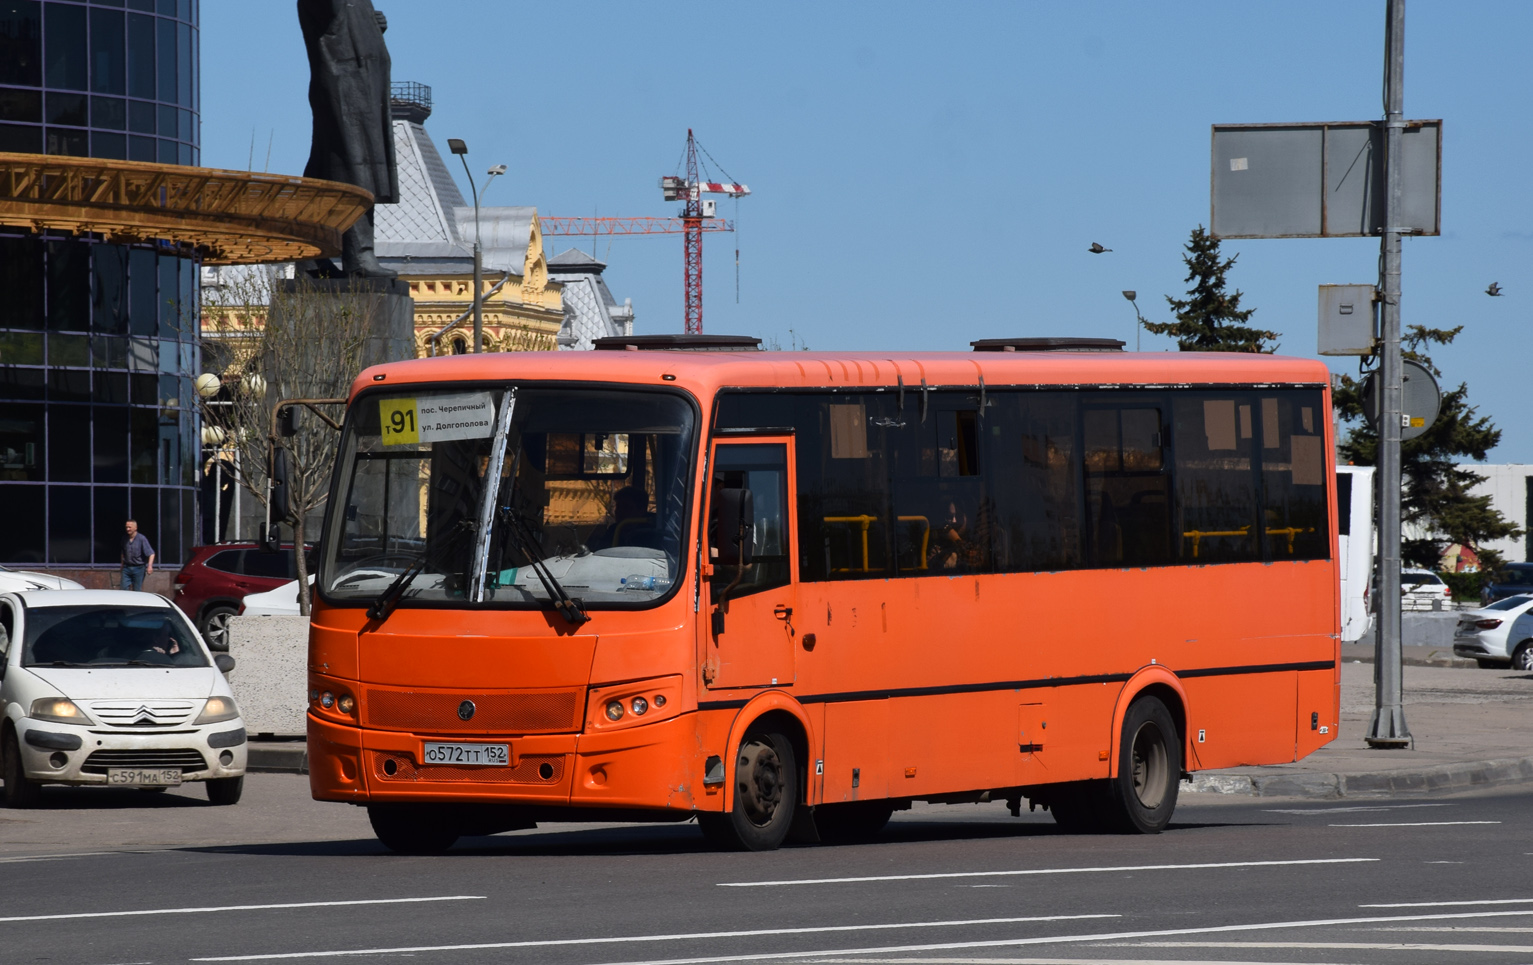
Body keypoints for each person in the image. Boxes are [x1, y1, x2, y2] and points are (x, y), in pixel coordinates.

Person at [121, 520, 155, 591]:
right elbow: (123, 553)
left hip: (138, 568)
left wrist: (149, 566)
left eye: (129, 527)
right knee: (123, 589)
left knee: (137, 590)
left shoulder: (141, 539)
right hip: (127, 568)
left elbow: (151, 553)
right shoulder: (124, 538)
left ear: (135, 528)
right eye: (126, 527)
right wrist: (122, 565)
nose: (128, 529)